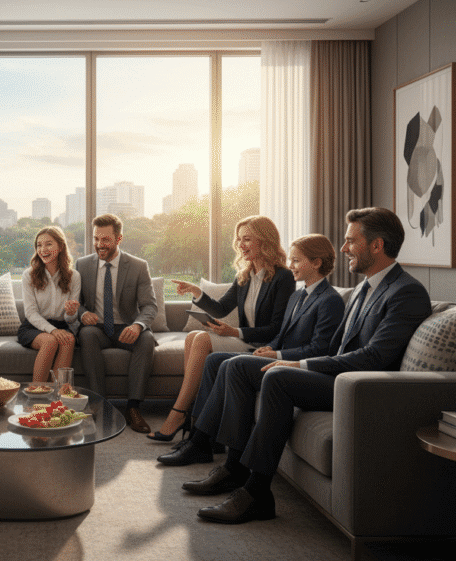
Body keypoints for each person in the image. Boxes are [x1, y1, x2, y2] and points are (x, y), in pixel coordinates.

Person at [184, 207, 431, 525]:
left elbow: (375, 358)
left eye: (350, 241)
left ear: (377, 245)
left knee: (278, 378)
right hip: (339, 375)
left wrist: (298, 364)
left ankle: (257, 493)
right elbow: (335, 346)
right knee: (237, 366)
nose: (342, 249)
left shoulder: (405, 292)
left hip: (363, 387)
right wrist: (289, 357)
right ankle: (233, 468)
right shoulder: (363, 289)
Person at [156, 233, 345, 466]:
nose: (290, 265)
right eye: (291, 260)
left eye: (296, 261)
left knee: (232, 364)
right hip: (273, 352)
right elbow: (282, 334)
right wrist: (271, 347)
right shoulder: (297, 296)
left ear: (316, 263)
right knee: (216, 361)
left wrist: (276, 354)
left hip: (294, 365)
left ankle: (200, 442)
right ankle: (201, 440)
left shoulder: (330, 300)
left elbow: (319, 348)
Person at [148, 216, 295, 441]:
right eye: (239, 239)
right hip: (245, 340)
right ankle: (191, 413)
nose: (241, 245)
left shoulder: (283, 278)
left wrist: (235, 332)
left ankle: (179, 414)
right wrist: (197, 292)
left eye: (247, 239)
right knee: (194, 336)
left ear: (264, 241)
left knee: (201, 339)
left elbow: (276, 328)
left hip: (263, 345)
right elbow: (220, 309)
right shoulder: (245, 276)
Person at [76, 213, 158, 433]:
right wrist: (83, 314)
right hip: (98, 329)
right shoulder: (82, 265)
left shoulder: (138, 266)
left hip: (126, 328)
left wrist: (138, 325)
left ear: (119, 239)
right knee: (86, 334)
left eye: (105, 240)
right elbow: (74, 302)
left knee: (147, 339)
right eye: (96, 239)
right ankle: (100, 405)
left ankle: (133, 408)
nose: (99, 245)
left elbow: (150, 306)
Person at [17, 226, 82, 382]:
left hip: (62, 325)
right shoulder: (29, 275)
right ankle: (36, 393)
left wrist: (72, 313)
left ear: (60, 247)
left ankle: (58, 398)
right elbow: (31, 313)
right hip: (34, 327)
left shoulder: (74, 276)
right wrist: (53, 331)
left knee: (69, 340)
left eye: (48, 244)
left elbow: (71, 320)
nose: (43, 249)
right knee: (50, 341)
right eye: (39, 245)